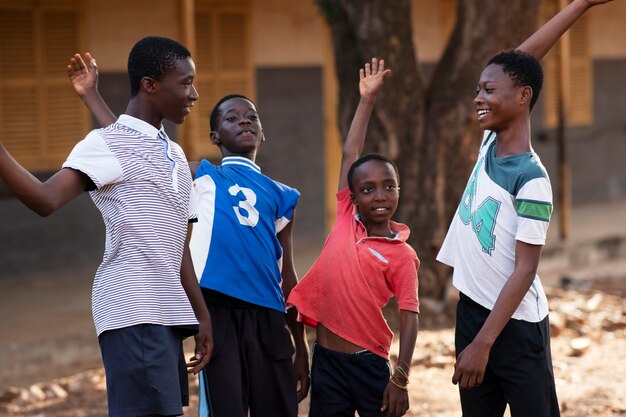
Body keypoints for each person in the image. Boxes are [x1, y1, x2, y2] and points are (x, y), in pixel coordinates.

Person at [67, 55, 310, 417]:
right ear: (214, 136)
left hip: (269, 315)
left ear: (263, 131)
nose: (244, 120)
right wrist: (92, 97)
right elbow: (134, 150)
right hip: (218, 309)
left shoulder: (283, 194)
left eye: (252, 117)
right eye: (231, 117)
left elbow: (287, 273)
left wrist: (301, 348)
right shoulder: (200, 173)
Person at [1, 36, 212, 417]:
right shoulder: (104, 144)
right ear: (150, 85)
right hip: (134, 310)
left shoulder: (173, 154)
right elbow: (45, 199)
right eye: (185, 82)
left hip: (165, 315)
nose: (194, 93)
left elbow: (178, 244)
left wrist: (201, 316)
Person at [436, 1, 613, 416]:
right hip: (473, 313)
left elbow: (525, 270)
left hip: (515, 328)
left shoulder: (532, 179)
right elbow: (521, 60)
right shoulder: (488, 144)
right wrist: (580, 6)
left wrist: (484, 343)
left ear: (523, 97)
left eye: (489, 91)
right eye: (478, 89)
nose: (479, 97)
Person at [287, 58, 420, 417]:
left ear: (398, 190)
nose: (379, 196)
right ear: (353, 196)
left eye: (388, 186)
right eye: (368, 189)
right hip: (326, 362)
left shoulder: (402, 254)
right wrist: (366, 101)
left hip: (368, 365)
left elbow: (410, 317)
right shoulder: (346, 217)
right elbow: (350, 152)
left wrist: (401, 378)